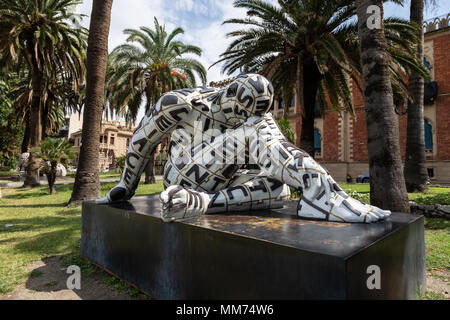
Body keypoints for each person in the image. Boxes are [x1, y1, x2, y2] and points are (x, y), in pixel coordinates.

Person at [97, 74, 390, 223]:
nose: (243, 119)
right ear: (228, 94)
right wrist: (125, 185)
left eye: (252, 113)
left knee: (280, 187)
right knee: (255, 133)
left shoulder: (256, 118)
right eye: (239, 111)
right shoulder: (181, 103)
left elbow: (277, 148)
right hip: (181, 174)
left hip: (215, 185)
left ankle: (202, 203)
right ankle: (321, 195)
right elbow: (141, 141)